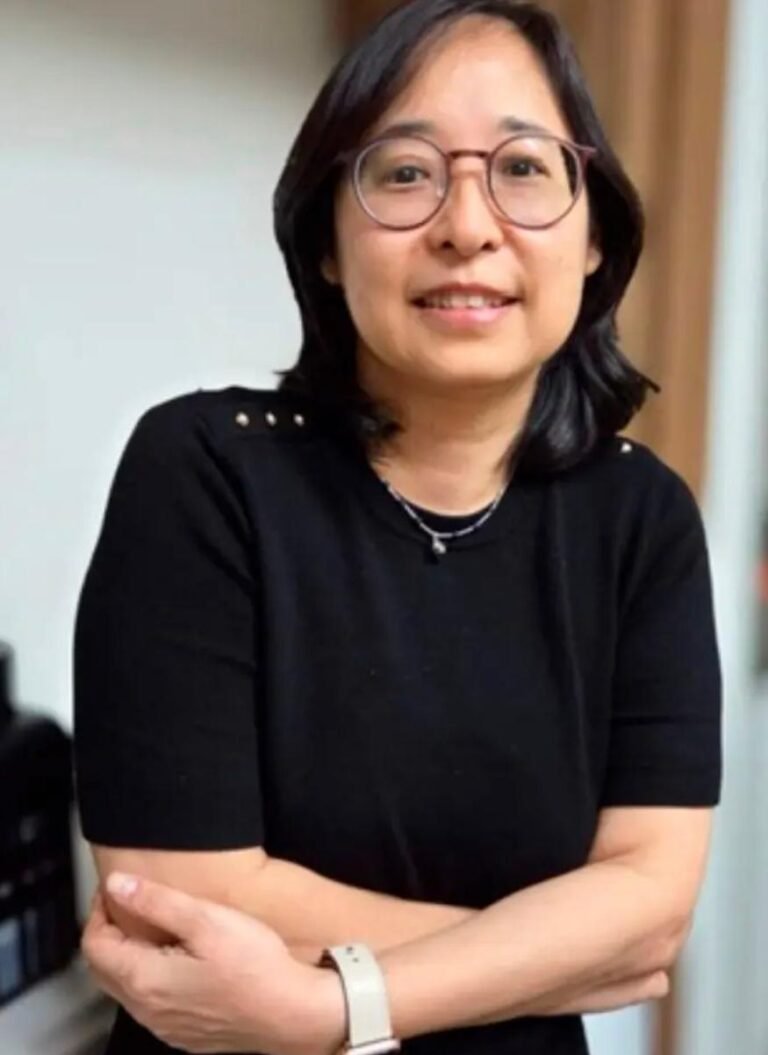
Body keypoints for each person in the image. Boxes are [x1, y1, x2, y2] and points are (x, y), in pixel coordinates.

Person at [72, 1, 723, 1053]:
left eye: (523, 168)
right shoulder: (204, 471)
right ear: (327, 240)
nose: (467, 226)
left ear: (595, 234)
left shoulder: (642, 519)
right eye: (407, 172)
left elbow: (651, 908)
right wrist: (558, 951)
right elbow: (180, 895)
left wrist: (329, 1007)